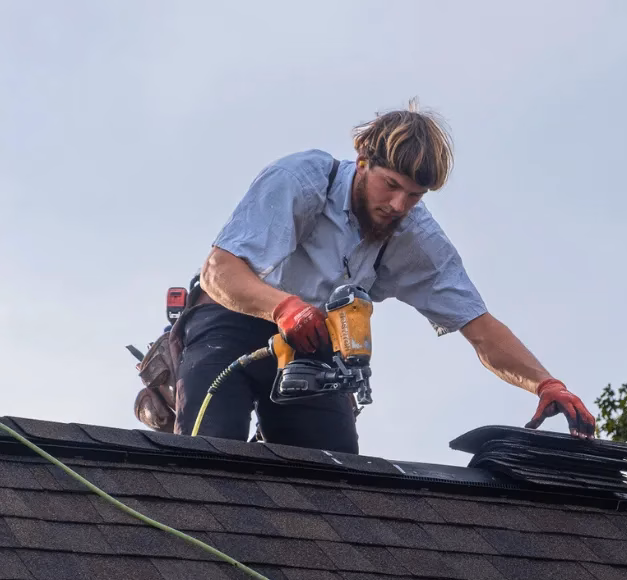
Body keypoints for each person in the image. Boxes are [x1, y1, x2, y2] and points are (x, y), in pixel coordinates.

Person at [174, 101, 596, 453]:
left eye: (414, 195)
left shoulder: (418, 239)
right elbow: (219, 272)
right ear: (362, 163)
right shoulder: (301, 180)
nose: (398, 205)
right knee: (210, 456)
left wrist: (545, 383)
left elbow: (481, 328)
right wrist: (284, 307)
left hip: (313, 348)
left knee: (339, 482)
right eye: (390, 185)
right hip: (231, 320)